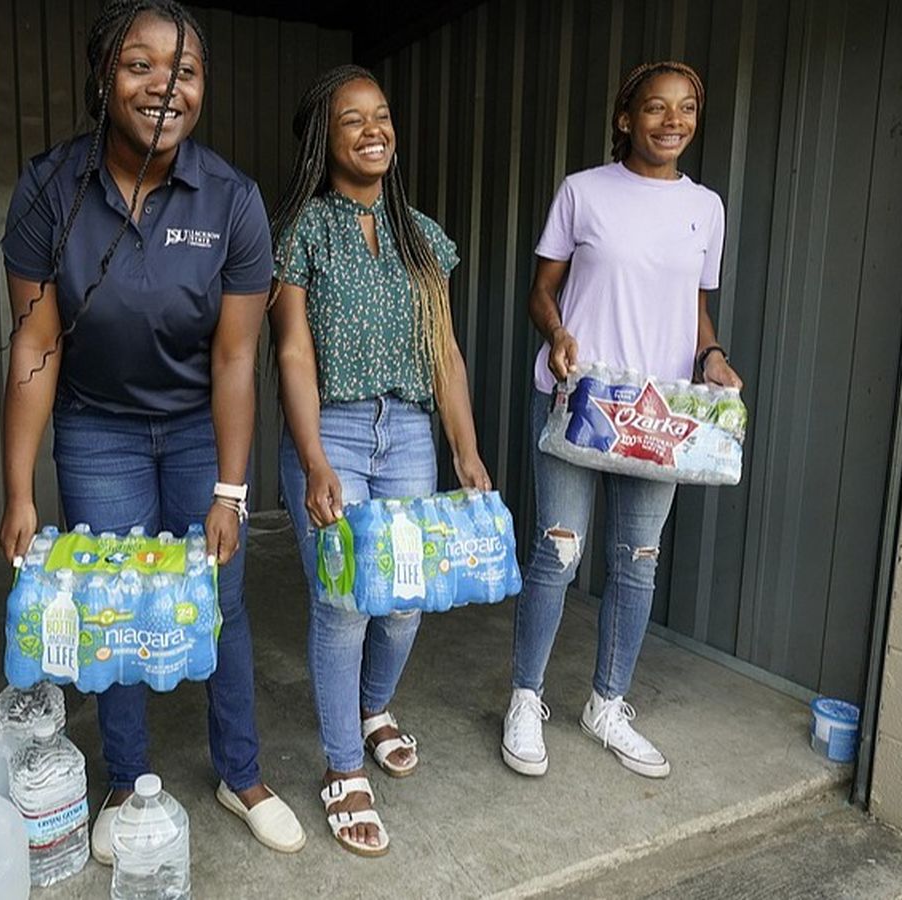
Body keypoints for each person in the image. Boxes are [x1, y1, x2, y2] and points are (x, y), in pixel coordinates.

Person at [0, 0, 304, 861]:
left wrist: (231, 491)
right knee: (113, 605)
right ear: (104, 77)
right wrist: (19, 490)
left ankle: (241, 773)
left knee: (221, 599)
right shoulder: (51, 188)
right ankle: (127, 777)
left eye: (186, 71)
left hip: (200, 427)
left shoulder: (233, 200)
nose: (165, 87)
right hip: (98, 428)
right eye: (141, 65)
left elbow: (236, 357)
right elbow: (35, 341)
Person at [270, 65, 491, 857]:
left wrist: (466, 450)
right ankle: (342, 766)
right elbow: (293, 351)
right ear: (321, 140)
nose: (374, 130)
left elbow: (445, 352)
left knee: (404, 600)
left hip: (408, 432)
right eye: (352, 119)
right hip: (331, 428)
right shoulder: (303, 232)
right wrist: (312, 455)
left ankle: (371, 709)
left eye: (382, 115)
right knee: (344, 604)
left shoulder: (421, 235)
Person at [502, 61, 744, 780]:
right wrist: (556, 333)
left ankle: (606, 704)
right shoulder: (583, 191)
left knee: (638, 560)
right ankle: (525, 698)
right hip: (582, 399)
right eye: (656, 107)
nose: (673, 121)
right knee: (559, 551)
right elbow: (541, 290)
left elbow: (696, 307)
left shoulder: (706, 207)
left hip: (656, 412)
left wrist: (712, 357)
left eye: (686, 107)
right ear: (625, 118)